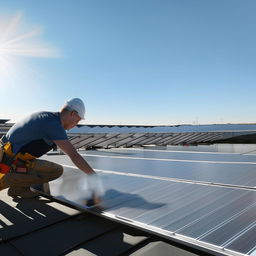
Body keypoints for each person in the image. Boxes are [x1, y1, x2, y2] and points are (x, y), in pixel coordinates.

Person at [0, 98, 103, 204]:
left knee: (55, 169)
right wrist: (93, 176)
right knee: (54, 171)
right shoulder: (53, 125)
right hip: (6, 162)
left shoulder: (48, 117)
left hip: (9, 156)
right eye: (77, 120)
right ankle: (7, 180)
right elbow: (74, 155)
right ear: (72, 113)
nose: (76, 124)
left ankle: (18, 189)